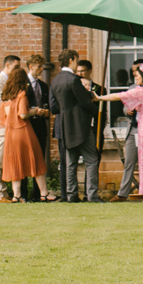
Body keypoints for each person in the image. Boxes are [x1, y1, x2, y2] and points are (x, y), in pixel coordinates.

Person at [98, 59, 143, 201]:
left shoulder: (142, 91)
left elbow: (118, 96)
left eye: (137, 76)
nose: (135, 79)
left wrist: (100, 98)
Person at [52, 50, 102, 203]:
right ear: (72, 60)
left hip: (66, 126)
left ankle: (71, 194)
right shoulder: (74, 80)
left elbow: (54, 108)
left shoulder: (55, 81)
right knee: (92, 160)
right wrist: (94, 105)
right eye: (76, 60)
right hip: (82, 126)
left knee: (71, 162)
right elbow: (85, 102)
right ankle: (92, 195)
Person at [0, 65, 41, 202]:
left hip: (10, 132)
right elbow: (23, 114)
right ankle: (42, 193)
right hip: (22, 131)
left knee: (15, 164)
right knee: (32, 160)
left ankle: (16, 195)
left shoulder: (7, 95)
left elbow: (4, 117)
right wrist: (34, 111)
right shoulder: (22, 94)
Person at [0, 54, 21, 201]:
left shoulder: (8, 81)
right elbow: (1, 103)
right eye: (15, 67)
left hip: (8, 125)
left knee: (5, 160)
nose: (17, 70)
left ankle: (3, 191)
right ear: (7, 65)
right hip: (1, 126)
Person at [25, 55, 56, 201]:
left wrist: (46, 112)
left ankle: (37, 195)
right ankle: (23, 194)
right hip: (26, 126)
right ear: (31, 66)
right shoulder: (22, 84)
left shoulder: (43, 86)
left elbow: (48, 105)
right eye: (39, 67)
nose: (41, 69)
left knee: (39, 160)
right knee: (25, 159)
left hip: (40, 126)